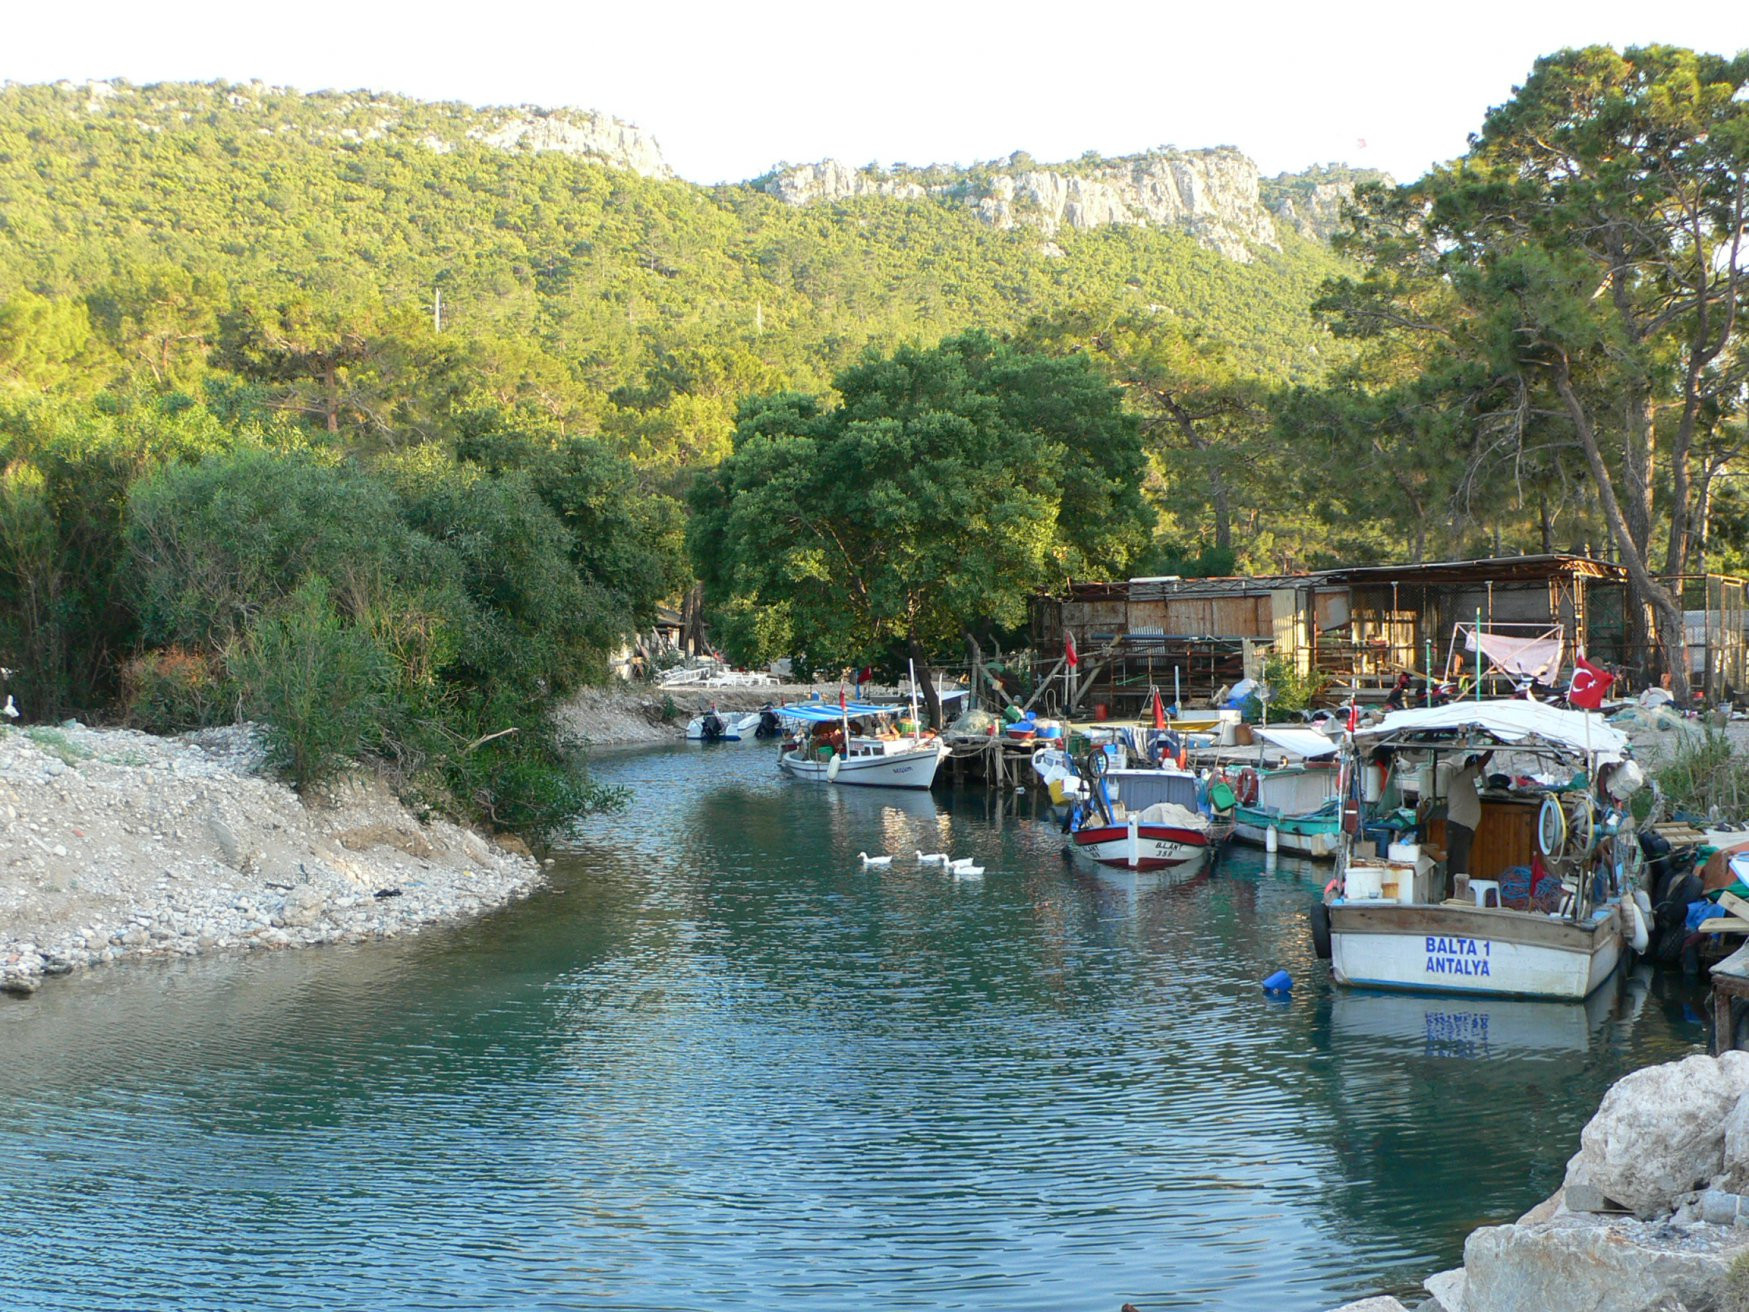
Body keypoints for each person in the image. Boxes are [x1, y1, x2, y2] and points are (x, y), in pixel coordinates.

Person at [1440, 751, 1493, 893]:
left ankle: (1455, 894)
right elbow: (1481, 765)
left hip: (1463, 828)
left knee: (1458, 865)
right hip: (1459, 828)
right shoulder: (1464, 777)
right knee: (1457, 866)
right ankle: (1455, 896)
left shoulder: (1465, 781)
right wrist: (1493, 749)